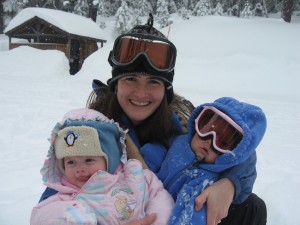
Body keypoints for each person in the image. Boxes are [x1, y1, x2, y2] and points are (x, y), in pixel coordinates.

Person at [40, 18, 267, 225]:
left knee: (253, 208)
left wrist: (230, 185)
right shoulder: (90, 129)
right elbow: (58, 194)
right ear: (115, 84)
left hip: (172, 212)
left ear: (165, 90)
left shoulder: (184, 120)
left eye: (153, 83)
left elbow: (240, 146)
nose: (141, 93)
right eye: (130, 79)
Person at [31, 108, 174, 225]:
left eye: (88, 160)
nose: (79, 168)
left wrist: (157, 221)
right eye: (70, 162)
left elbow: (159, 197)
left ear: (110, 158)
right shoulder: (67, 196)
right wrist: (69, 216)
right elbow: (41, 216)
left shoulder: (136, 177)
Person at [141, 97, 267, 224]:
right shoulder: (179, 142)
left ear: (232, 153)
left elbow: (194, 215)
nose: (209, 140)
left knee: (255, 207)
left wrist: (231, 182)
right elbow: (158, 150)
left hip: (169, 214)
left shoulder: (207, 182)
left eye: (222, 143)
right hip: (151, 195)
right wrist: (145, 158)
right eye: (206, 131)